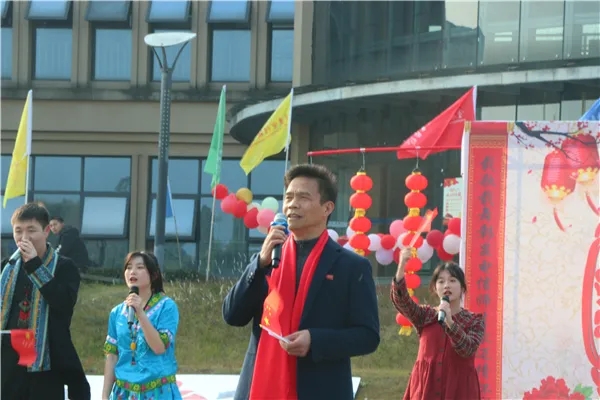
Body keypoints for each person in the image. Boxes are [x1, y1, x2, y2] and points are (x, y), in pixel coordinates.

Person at [223, 163, 380, 400]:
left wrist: (315, 340)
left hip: (320, 389)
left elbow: (368, 336)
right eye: (288, 197)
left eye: (303, 197)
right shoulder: (268, 259)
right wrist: (259, 265)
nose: (292, 204)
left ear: (327, 207)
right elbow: (232, 316)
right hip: (261, 386)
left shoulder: (351, 266)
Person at [0, 202, 90, 400]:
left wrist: (35, 265)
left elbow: (63, 304)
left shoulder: (64, 266)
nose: (24, 237)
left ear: (47, 231)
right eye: (18, 231)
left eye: (31, 230)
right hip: (9, 357)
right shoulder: (7, 267)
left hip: (46, 358)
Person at [391, 248, 485, 400]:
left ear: (462, 287)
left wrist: (450, 323)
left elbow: (468, 349)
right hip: (426, 388)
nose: (447, 285)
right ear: (435, 288)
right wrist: (402, 266)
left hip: (459, 390)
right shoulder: (426, 315)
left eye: (452, 280)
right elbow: (403, 302)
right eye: (441, 281)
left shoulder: (474, 320)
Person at [102, 251, 181, 400]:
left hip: (158, 392)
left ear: (154, 275)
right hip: (123, 393)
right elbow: (112, 356)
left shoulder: (167, 307)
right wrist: (105, 396)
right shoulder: (117, 313)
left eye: (139, 267)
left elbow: (159, 347)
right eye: (128, 267)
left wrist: (140, 313)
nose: (132, 272)